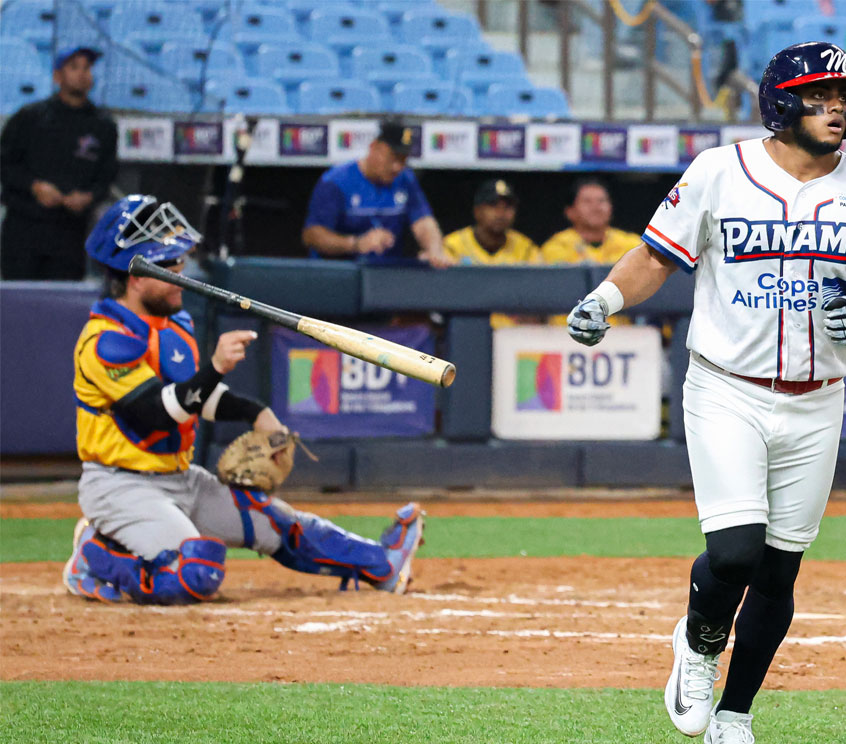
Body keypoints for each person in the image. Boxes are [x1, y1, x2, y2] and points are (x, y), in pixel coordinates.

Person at [566, 42, 846, 744]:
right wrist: (605, 299)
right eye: (820, 96)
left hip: (818, 400)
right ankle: (699, 643)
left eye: (844, 98)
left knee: (780, 573)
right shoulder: (719, 171)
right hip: (727, 386)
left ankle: (735, 716)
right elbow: (656, 256)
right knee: (734, 551)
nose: (838, 108)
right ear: (780, 101)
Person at [63, 194, 425, 604]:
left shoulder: (173, 324)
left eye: (182, 262)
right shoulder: (105, 341)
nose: (183, 273)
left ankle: (382, 563)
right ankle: (94, 554)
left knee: (273, 520)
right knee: (195, 572)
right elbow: (153, 414)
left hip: (179, 477)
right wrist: (215, 367)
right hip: (120, 487)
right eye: (170, 266)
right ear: (136, 275)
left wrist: (256, 413)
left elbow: (194, 397)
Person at [0, 46, 117, 281]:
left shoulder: (103, 125)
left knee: (62, 305)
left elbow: (105, 179)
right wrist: (34, 186)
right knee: (20, 305)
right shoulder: (30, 117)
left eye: (87, 68)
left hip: (69, 234)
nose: (82, 73)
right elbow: (5, 165)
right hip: (24, 229)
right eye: (74, 67)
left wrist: (88, 197)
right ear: (57, 76)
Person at [302, 119, 451, 268]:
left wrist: (434, 250)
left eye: (403, 160)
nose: (397, 167)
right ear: (374, 148)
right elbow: (312, 235)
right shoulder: (336, 181)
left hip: (384, 275)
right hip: (340, 273)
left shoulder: (405, 179)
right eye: (392, 158)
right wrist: (355, 243)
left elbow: (423, 221)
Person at [539, 178, 642, 265]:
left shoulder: (633, 244)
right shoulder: (557, 246)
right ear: (570, 211)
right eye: (587, 201)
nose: (596, 207)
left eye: (601, 201)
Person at [443, 179, 539, 265]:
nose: (501, 213)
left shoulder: (526, 249)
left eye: (508, 207)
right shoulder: (452, 247)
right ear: (477, 211)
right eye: (493, 205)